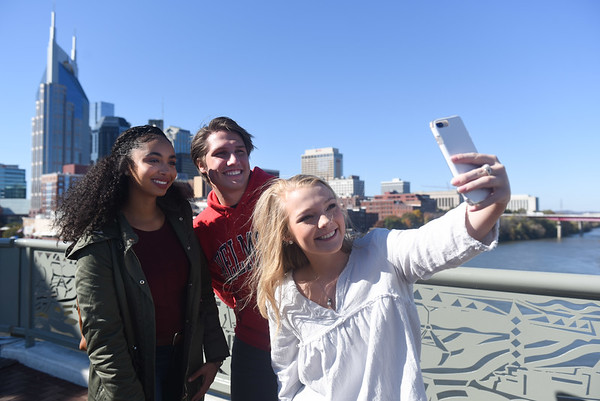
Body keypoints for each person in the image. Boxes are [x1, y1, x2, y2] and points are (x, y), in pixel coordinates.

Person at [251, 153, 510, 400]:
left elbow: (437, 242)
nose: (326, 221)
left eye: (331, 207)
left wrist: (491, 200)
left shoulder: (381, 251)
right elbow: (287, 377)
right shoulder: (284, 295)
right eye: (307, 217)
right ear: (286, 233)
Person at [56, 125, 229, 401]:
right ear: (126, 167)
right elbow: (102, 335)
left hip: (185, 361)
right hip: (132, 367)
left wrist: (215, 356)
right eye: (153, 160)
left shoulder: (181, 220)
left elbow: (202, 294)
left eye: (171, 162)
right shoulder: (100, 240)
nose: (166, 170)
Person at [190, 117, 278, 401]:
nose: (234, 161)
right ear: (202, 165)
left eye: (240, 151)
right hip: (252, 344)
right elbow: (221, 289)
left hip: (306, 339)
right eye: (220, 154)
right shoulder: (203, 227)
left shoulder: (281, 197)